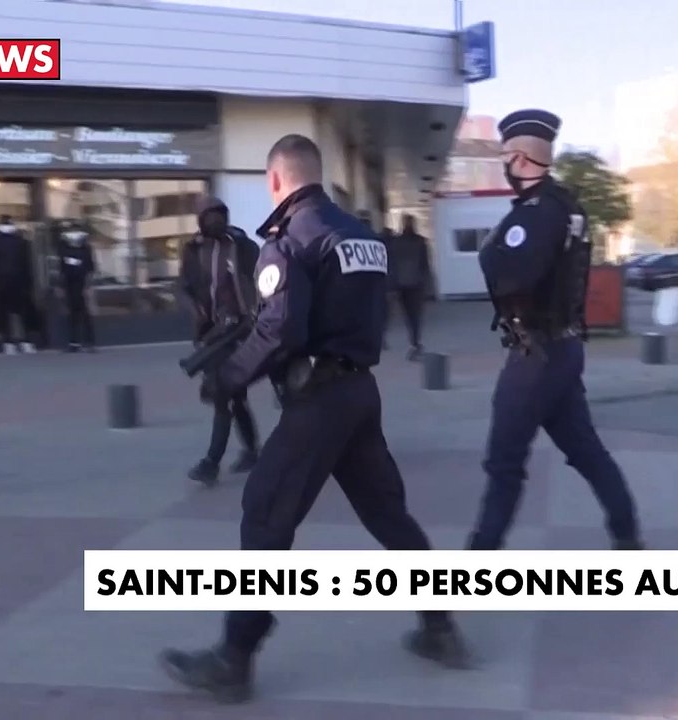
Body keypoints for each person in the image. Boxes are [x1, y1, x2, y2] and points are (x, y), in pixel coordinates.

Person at [160, 134, 471, 704]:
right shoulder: (361, 236)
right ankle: (440, 628)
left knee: (264, 516)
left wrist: (230, 378)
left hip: (319, 403)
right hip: (360, 392)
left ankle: (233, 659)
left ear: (275, 179)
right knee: (388, 515)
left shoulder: (290, 241)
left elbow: (280, 330)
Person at [467, 109, 644, 552]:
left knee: (503, 464)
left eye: (506, 157)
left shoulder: (535, 214)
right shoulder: (567, 205)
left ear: (520, 158)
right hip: (562, 348)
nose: (505, 167)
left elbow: (511, 277)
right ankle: (627, 537)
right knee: (586, 452)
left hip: (535, 355)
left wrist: (491, 252)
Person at [178, 197, 261, 486]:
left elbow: (262, 277)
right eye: (209, 216)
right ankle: (249, 451)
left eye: (220, 215)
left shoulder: (241, 246)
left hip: (241, 330)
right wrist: (197, 312)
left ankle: (213, 462)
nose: (215, 220)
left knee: (225, 393)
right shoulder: (193, 250)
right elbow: (183, 288)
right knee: (231, 395)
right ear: (200, 220)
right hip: (211, 334)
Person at [0, 215, 43, 354]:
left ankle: (8, 342)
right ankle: (26, 341)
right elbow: (27, 263)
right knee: (22, 312)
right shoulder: (20, 241)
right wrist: (29, 283)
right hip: (19, 281)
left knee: (4, 313)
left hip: (1, 282)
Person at [389, 213, 432, 360]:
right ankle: (415, 342)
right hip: (416, 284)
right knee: (415, 315)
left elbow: (392, 264)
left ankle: (414, 342)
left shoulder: (396, 242)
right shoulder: (420, 241)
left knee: (408, 315)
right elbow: (425, 265)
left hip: (402, 284)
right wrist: (427, 285)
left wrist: (391, 285)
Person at [54, 221, 97, 352]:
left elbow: (90, 268)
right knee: (72, 315)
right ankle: (74, 342)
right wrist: (60, 286)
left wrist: (88, 286)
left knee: (85, 315)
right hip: (69, 285)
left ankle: (89, 342)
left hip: (82, 285)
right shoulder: (63, 248)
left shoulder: (86, 248)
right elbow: (62, 268)